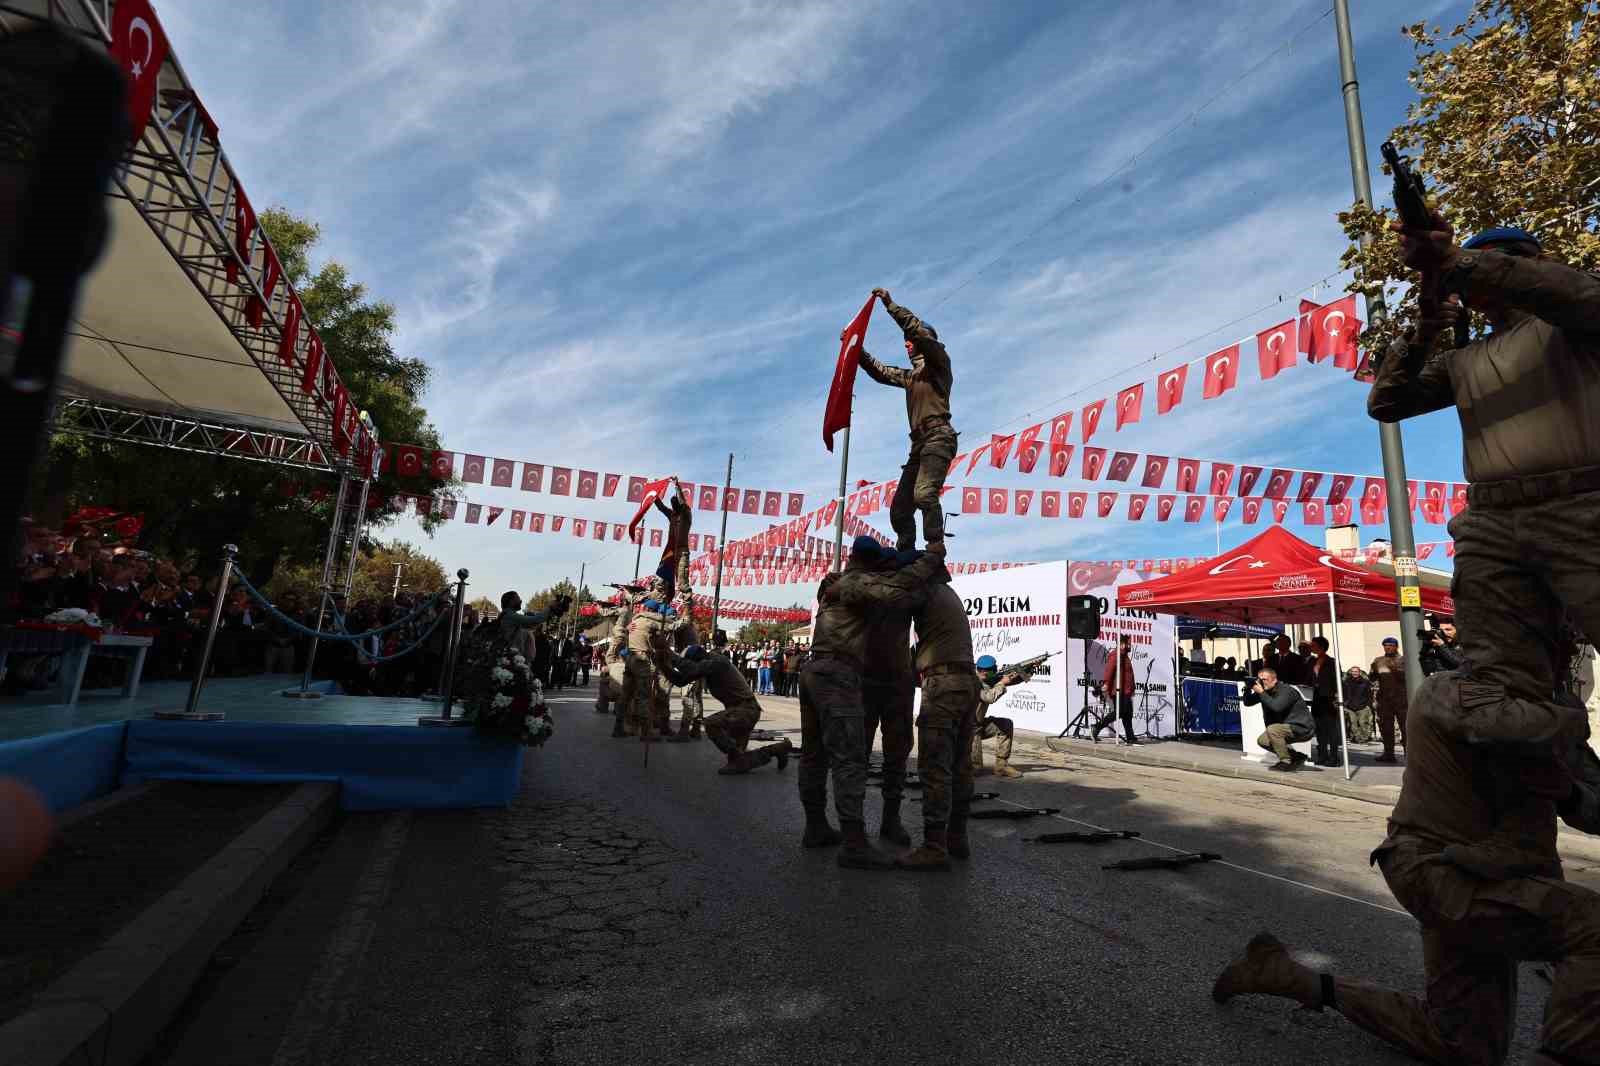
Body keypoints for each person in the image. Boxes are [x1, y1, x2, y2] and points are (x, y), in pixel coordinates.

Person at [1214, 670, 1600, 1065]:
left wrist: (1568, 791)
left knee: (1464, 1047)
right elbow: (1489, 721)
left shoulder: (1554, 705)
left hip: (1509, 880)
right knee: (1591, 926)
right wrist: (1555, 726)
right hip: (1440, 871)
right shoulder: (1452, 691)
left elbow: (1594, 802)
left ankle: (1289, 977)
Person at [1369, 215, 1600, 754]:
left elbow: (1574, 292)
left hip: (1583, 508)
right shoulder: (1464, 359)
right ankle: (1558, 769)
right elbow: (1387, 401)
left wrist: (1453, 262)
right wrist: (1425, 329)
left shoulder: (1572, 323)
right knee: (1498, 686)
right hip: (1492, 525)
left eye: (1510, 262)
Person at [798, 537, 941, 869]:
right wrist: (929, 560)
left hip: (880, 678)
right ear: (875, 563)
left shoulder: (849, 582)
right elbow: (896, 589)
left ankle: (827, 826)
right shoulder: (864, 583)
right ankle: (853, 842)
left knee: (823, 755)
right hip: (848, 676)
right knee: (849, 758)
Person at [857, 288, 957, 552]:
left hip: (939, 438)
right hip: (918, 445)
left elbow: (916, 331)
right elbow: (881, 372)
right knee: (900, 510)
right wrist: (856, 351)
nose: (906, 343)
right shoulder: (910, 377)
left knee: (924, 495)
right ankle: (906, 556)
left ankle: (935, 548)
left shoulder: (939, 365)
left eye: (909, 339)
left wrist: (890, 305)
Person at [898, 546, 979, 870]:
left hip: (943, 684)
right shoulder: (948, 593)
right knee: (960, 766)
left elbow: (890, 599)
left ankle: (934, 846)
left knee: (934, 767)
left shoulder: (926, 592)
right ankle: (957, 837)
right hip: (964, 681)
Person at [664, 642, 790, 775]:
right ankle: (778, 749)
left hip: (746, 710)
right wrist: (662, 664)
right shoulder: (706, 666)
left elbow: (690, 669)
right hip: (740, 710)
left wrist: (668, 653)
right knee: (740, 761)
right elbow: (680, 680)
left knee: (711, 724)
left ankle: (741, 757)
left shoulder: (717, 662)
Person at [860, 582, 917, 846]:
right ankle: (855, 824)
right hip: (867, 679)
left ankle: (890, 819)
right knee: (857, 755)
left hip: (897, 682)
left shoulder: (907, 589)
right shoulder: (862, 586)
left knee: (896, 756)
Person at [1240, 666, 1313, 771]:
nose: (1262, 682)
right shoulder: (1266, 690)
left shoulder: (1286, 691)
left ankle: (1285, 761)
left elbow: (1277, 707)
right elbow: (1248, 702)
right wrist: (1248, 688)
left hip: (1302, 727)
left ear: (1274, 680)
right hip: (1287, 727)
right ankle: (1297, 757)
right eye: (1260, 680)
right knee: (1263, 740)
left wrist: (1261, 692)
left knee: (1272, 729)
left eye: (1265, 679)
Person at [970, 656, 1022, 779]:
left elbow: (1010, 681)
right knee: (975, 769)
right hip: (966, 730)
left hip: (978, 725)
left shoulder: (989, 679)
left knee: (1005, 724)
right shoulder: (972, 681)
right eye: (981, 670)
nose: (983, 672)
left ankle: (1001, 766)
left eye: (986, 670)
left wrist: (1026, 671)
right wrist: (1002, 683)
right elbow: (988, 697)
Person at [1370, 637, 1409, 763]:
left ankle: (1408, 754)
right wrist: (1373, 669)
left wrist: (1394, 669)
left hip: (1401, 698)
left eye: (1391, 645)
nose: (1388, 647)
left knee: (1405, 727)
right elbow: (1372, 677)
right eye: (1385, 645)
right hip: (1384, 699)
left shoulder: (1404, 660)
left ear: (1396, 646)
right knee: (1386, 727)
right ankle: (1388, 753)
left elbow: (1407, 677)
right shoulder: (1379, 661)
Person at [1093, 635, 1137, 745]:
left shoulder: (1124, 656)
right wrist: (1106, 684)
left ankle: (1130, 737)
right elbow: (1109, 671)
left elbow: (1128, 674)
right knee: (1120, 712)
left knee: (1128, 714)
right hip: (1118, 690)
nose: (1130, 645)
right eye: (1128, 643)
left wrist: (1132, 689)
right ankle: (1097, 727)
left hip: (1126, 690)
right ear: (1122, 644)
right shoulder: (1115, 655)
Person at [1308, 636, 1341, 767]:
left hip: (1328, 699)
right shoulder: (1312, 661)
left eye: (1314, 645)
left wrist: (1337, 696)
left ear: (1321, 646)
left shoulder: (1331, 661)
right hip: (1316, 699)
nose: (1311, 647)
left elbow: (1336, 680)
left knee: (1331, 729)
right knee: (1320, 729)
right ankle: (1322, 755)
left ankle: (1334, 757)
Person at [1342, 666, 1375, 745]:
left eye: (1356, 671)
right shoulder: (1346, 682)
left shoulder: (1365, 682)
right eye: (1353, 671)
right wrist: (1345, 703)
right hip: (1350, 707)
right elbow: (1344, 693)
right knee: (1353, 723)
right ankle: (1357, 738)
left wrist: (1368, 705)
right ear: (1351, 672)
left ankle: (1364, 739)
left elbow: (1369, 694)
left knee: (1362, 723)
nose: (1354, 673)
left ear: (1359, 672)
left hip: (1362, 706)